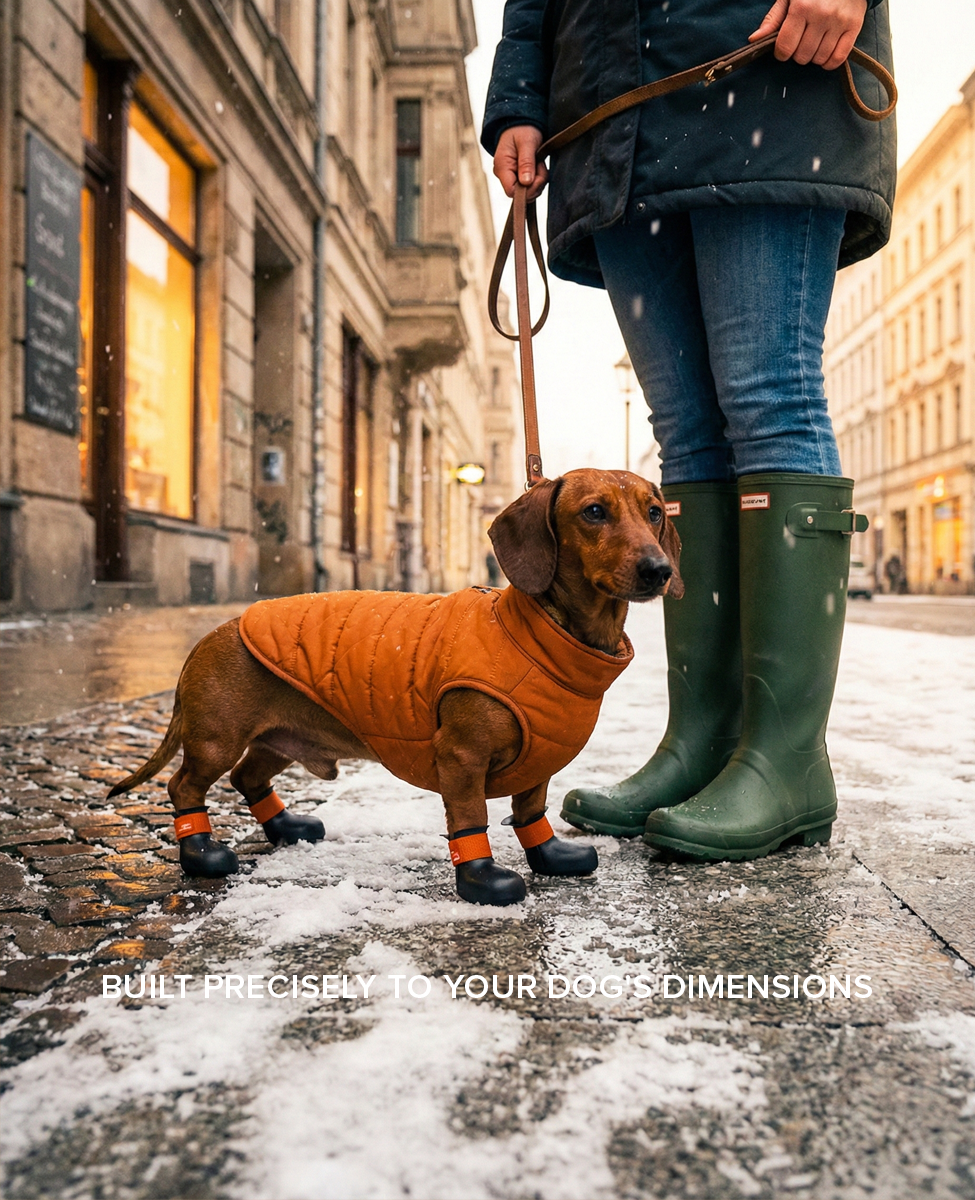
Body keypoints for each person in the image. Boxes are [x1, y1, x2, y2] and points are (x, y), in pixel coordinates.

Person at [482, 0, 895, 861]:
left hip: (767, 77)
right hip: (611, 122)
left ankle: (784, 763)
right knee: (688, 435)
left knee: (768, 394)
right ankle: (703, 745)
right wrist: (517, 101)